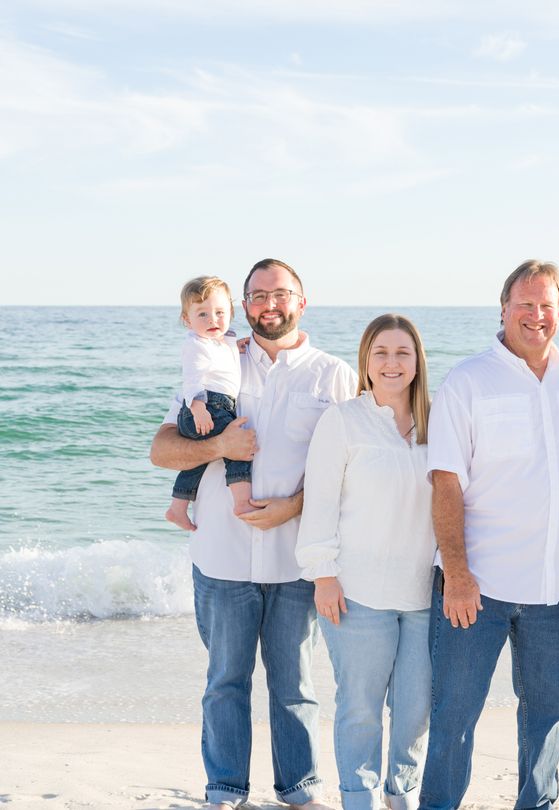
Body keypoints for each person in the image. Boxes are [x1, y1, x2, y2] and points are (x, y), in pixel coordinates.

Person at [149, 258, 357, 810]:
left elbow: (355, 474)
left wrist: (293, 506)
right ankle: (225, 792)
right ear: (244, 305)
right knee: (225, 685)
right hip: (221, 559)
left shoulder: (332, 374)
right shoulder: (216, 361)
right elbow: (162, 449)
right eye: (259, 295)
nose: (270, 304)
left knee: (296, 689)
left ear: (301, 301)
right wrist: (218, 448)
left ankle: (300, 790)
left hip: (296, 562)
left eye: (281, 294)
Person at [419, 260, 559, 810]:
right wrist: (459, 576)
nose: (535, 316)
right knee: (455, 717)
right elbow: (445, 484)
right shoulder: (468, 380)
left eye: (546, 305)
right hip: (478, 587)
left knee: (545, 717)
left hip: (552, 591)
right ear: (503, 309)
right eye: (525, 304)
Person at [295, 314, 436, 810]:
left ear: (417, 361)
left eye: (402, 352)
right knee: (360, 709)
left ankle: (403, 794)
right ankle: (360, 798)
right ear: (366, 362)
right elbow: (320, 503)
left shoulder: (437, 423)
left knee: (417, 709)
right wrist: (323, 575)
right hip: (357, 592)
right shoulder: (343, 420)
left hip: (423, 595)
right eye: (381, 353)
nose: (392, 363)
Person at [165, 276, 253, 531]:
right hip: (209, 406)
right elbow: (192, 380)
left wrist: (235, 346)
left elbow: (220, 361)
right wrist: (198, 408)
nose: (212, 320)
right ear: (187, 320)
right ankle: (242, 502)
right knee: (238, 449)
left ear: (231, 313)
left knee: (200, 460)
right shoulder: (196, 345)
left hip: (215, 405)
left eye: (219, 312)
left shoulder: (220, 342)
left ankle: (177, 508)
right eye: (202, 314)